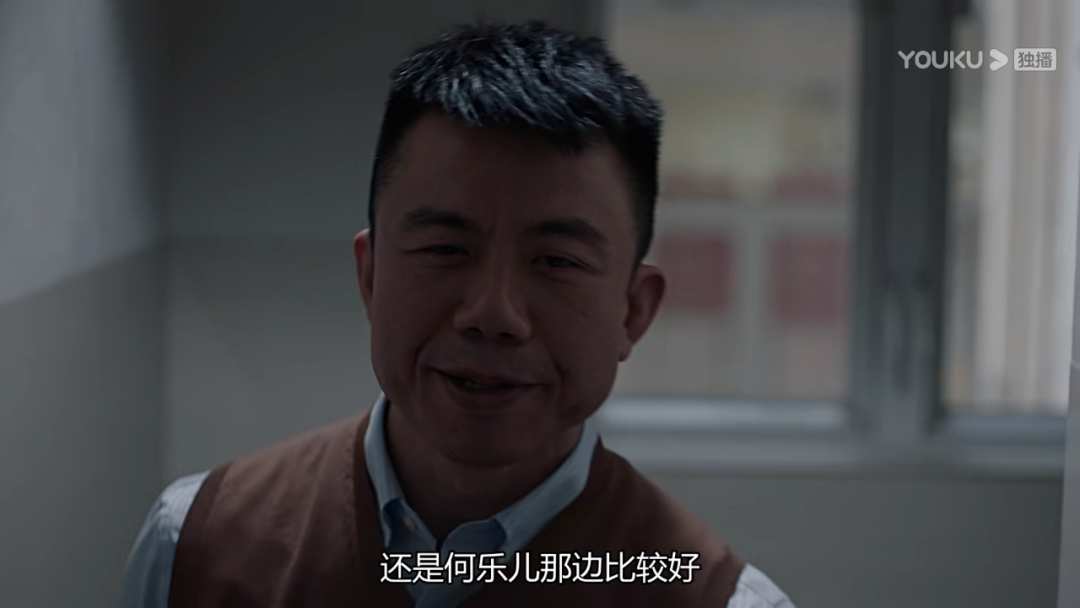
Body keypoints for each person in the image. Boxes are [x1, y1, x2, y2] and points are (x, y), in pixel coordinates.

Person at [119, 20, 795, 608]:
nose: (493, 314)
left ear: (633, 311)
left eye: (556, 261)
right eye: (445, 249)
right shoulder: (195, 545)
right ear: (370, 275)